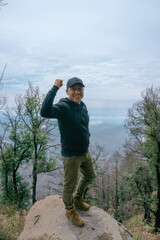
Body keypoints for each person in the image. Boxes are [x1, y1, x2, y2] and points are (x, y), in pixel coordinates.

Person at [40, 77, 96, 227]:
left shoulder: (82, 105)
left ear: (83, 91)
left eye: (80, 89)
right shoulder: (63, 107)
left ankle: (78, 199)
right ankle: (70, 210)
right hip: (71, 155)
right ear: (67, 91)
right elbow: (44, 112)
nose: (77, 91)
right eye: (74, 89)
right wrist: (54, 88)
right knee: (68, 186)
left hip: (85, 152)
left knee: (90, 175)